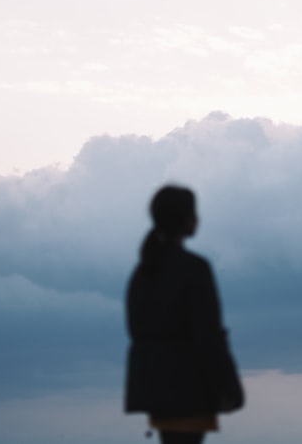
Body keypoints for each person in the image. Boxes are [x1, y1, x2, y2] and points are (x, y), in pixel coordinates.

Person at [124, 185, 244, 444]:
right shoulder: (194, 269)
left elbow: (136, 331)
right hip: (189, 388)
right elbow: (209, 336)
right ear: (186, 219)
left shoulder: (143, 271)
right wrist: (229, 388)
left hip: (154, 388)